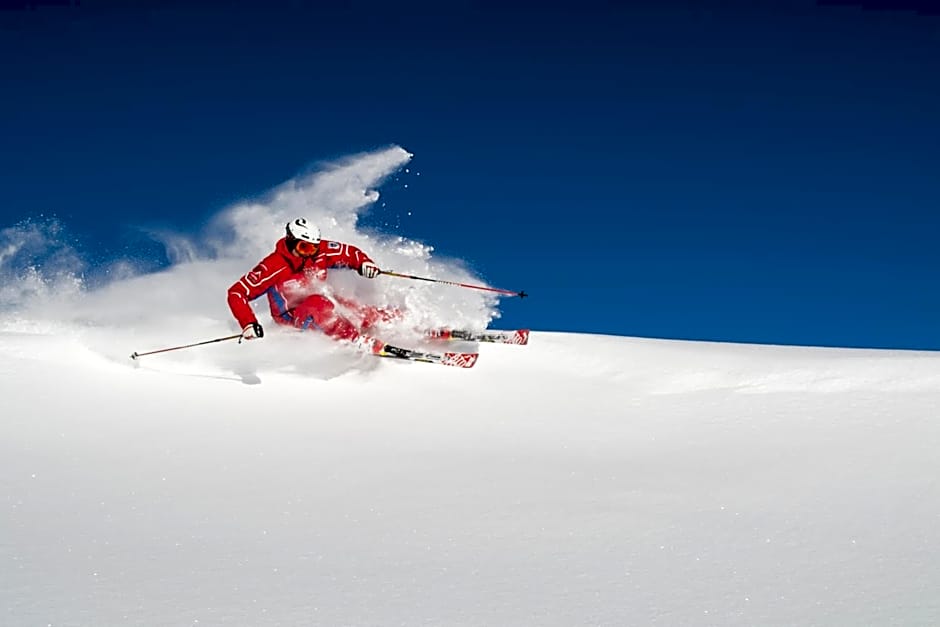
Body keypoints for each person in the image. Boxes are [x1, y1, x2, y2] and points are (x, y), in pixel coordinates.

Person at [226, 217, 391, 353]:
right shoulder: (273, 266)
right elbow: (237, 293)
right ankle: (356, 341)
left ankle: (407, 326)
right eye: (304, 247)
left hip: (325, 304)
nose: (310, 253)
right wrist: (248, 323)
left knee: (360, 311)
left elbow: (349, 252)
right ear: (291, 241)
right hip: (292, 316)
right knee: (318, 304)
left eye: (314, 247)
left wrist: (364, 264)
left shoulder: (319, 252)